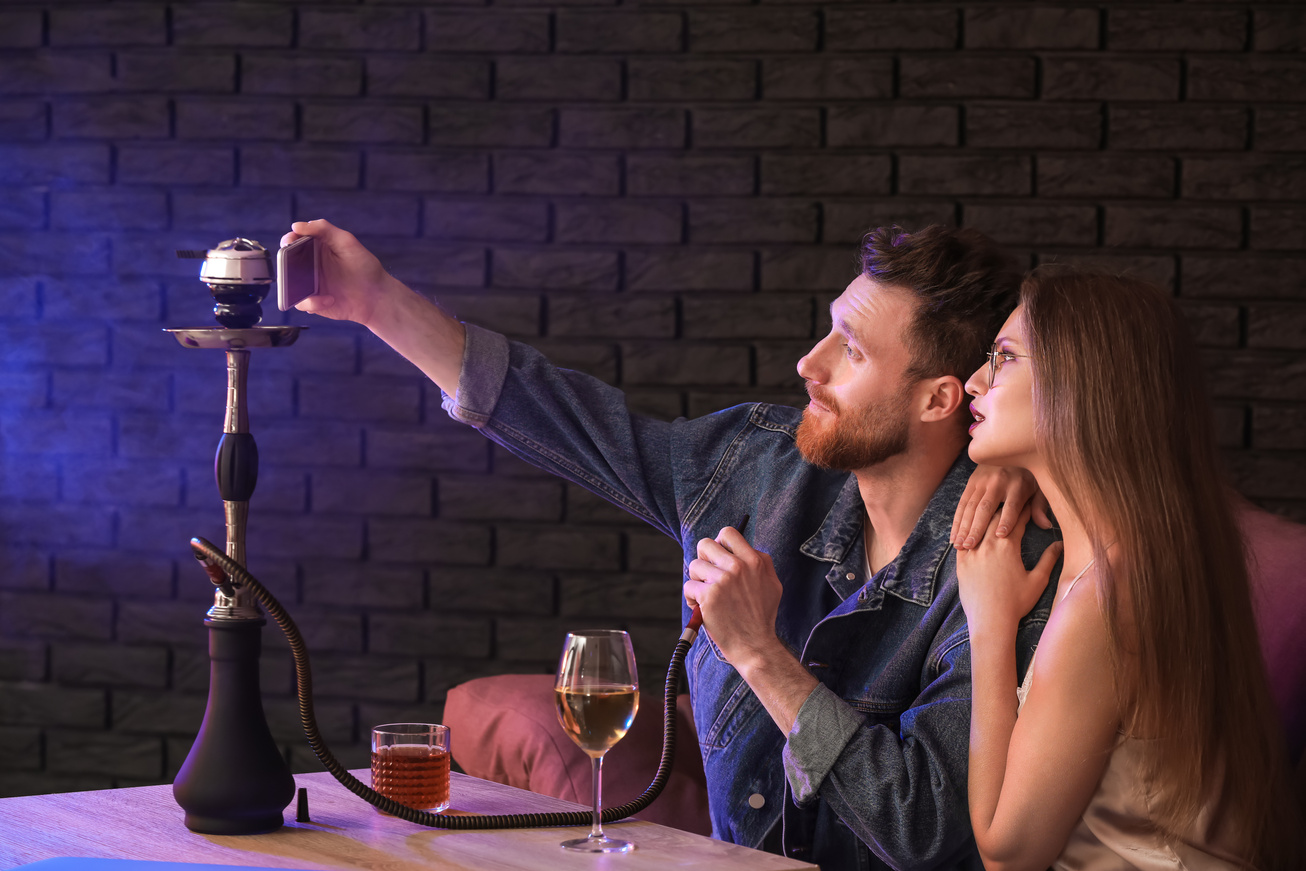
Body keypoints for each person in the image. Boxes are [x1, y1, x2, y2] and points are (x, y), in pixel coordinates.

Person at [282, 218, 1061, 870]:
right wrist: (375, 301)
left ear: (937, 398)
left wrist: (760, 654)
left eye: (850, 351)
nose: (808, 364)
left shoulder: (999, 563)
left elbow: (926, 828)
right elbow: (569, 420)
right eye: (828, 329)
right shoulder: (754, 466)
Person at [956, 268, 1304, 870]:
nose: (971, 381)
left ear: (1085, 384)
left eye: (1004, 357)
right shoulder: (1151, 553)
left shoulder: (1109, 596)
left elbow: (1006, 855)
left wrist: (988, 625)